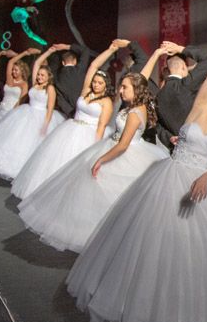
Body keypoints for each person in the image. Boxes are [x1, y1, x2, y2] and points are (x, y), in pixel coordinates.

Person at [65, 37, 207, 322]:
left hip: (204, 186)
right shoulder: (199, 108)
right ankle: (142, 305)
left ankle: (190, 313)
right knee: (153, 244)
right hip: (169, 178)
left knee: (195, 253)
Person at [18, 62, 168, 253]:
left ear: (136, 89)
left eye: (125, 87)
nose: (120, 91)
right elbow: (141, 79)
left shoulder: (135, 113)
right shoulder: (133, 107)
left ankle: (105, 238)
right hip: (113, 145)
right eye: (121, 86)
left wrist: (101, 159)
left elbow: (123, 145)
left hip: (125, 153)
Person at [10, 43, 120, 199]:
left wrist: (95, 148)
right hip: (71, 129)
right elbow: (93, 66)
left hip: (90, 135)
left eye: (100, 83)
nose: (96, 84)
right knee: (57, 163)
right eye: (94, 81)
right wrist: (110, 49)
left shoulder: (106, 102)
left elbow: (101, 126)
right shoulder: (86, 91)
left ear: (105, 85)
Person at [0, 52, 65, 180]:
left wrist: (45, 125)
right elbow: (37, 63)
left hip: (40, 117)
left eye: (42, 75)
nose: (39, 77)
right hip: (26, 113)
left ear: (48, 77)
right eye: (38, 74)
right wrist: (47, 52)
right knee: (16, 140)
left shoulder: (50, 88)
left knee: (31, 143)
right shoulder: (35, 84)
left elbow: (50, 109)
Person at [153, 44, 207, 148]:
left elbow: (157, 125)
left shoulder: (159, 95)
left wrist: (169, 137)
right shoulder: (186, 84)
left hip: (176, 148)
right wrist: (180, 49)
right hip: (200, 144)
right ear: (183, 67)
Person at [0, 50, 32, 130]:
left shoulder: (24, 84)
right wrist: (24, 53)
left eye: (16, 70)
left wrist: (12, 113)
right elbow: (10, 62)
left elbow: (20, 101)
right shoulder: (9, 79)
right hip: (1, 109)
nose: (13, 71)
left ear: (22, 71)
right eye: (13, 69)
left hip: (12, 110)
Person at [47, 42, 94, 117]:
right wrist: (66, 46)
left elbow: (60, 99)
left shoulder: (57, 77)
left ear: (63, 63)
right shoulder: (80, 70)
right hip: (87, 109)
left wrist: (71, 113)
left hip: (70, 114)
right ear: (75, 61)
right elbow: (85, 50)